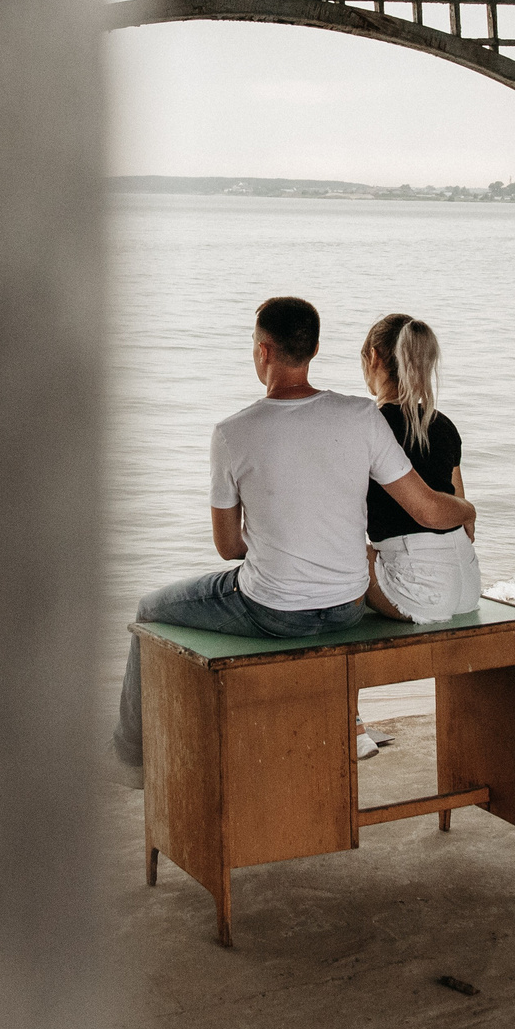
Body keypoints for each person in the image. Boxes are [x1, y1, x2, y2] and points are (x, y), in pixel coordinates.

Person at [112, 295, 474, 773]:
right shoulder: (362, 417)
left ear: (263, 351)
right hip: (348, 605)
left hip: (274, 612)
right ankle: (348, 725)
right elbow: (427, 506)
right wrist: (467, 509)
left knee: (148, 611)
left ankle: (129, 760)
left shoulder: (230, 433)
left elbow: (229, 548)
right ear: (316, 348)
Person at [359, 313, 481, 625]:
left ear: (373, 357)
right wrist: (469, 511)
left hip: (417, 593)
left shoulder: (369, 427)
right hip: (468, 585)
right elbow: (458, 513)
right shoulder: (444, 425)